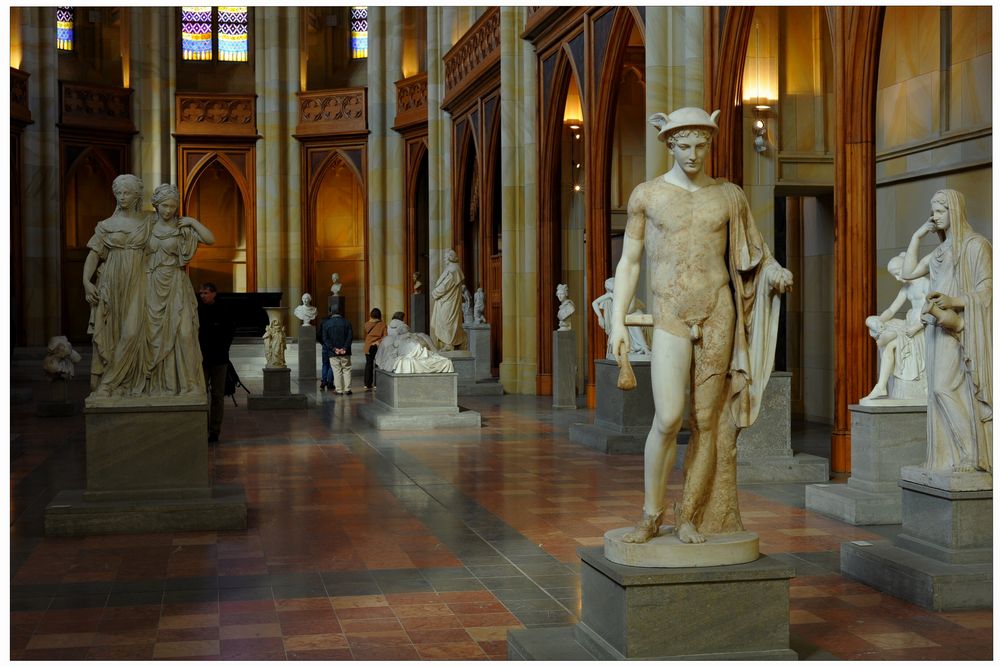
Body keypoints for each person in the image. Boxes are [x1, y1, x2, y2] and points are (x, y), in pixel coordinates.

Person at [608, 107, 792, 545]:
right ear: (668, 144)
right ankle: (651, 514)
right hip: (670, 313)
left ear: (709, 144)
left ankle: (689, 514)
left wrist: (774, 272)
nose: (693, 154)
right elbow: (629, 261)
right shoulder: (647, 196)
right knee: (669, 417)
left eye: (701, 145)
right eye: (684, 145)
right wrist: (617, 321)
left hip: (718, 311)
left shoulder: (729, 196)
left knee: (707, 420)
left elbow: (755, 253)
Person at [900, 189, 992, 473]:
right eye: (933, 211)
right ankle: (953, 455)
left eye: (940, 210)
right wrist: (917, 237)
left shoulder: (976, 246)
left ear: (954, 210)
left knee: (945, 388)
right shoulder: (938, 251)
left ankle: (971, 454)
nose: (934, 216)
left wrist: (953, 301)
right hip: (937, 329)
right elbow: (908, 272)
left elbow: (988, 291)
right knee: (939, 391)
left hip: (961, 330)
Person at [82, 174, 152, 398]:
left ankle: (116, 382)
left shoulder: (148, 221)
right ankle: (114, 384)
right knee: (112, 334)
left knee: (133, 332)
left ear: (137, 195)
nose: (122, 197)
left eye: (127, 193)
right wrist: (86, 282)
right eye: (119, 193)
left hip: (140, 280)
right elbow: (94, 255)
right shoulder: (106, 225)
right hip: (112, 282)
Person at [145, 184, 215, 397]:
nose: (168, 211)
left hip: (176, 283)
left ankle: (189, 383)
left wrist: (192, 221)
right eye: (164, 206)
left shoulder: (182, 227)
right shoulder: (146, 226)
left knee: (185, 334)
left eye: (173, 207)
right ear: (156, 205)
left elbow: (210, 239)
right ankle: (159, 385)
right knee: (153, 337)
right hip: (152, 285)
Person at [198, 282, 234, 443]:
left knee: (218, 396)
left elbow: (229, 332)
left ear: (214, 293)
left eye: (205, 293)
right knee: (200, 394)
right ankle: (201, 428)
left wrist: (223, 347)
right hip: (202, 359)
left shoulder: (224, 310)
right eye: (201, 293)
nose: (203, 296)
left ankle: (214, 431)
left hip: (219, 359)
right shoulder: (198, 310)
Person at [592, 277, 651, 359]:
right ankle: (641, 347)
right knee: (628, 320)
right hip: (621, 316)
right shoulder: (610, 295)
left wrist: (622, 313)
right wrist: (600, 317)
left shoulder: (628, 291)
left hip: (631, 313)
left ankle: (643, 347)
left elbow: (632, 308)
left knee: (632, 319)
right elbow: (594, 303)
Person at [430, 249, 467, 350]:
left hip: (449, 302)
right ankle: (450, 343)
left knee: (448, 320)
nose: (444, 259)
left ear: (450, 258)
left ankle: (450, 343)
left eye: (446, 257)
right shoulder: (451, 268)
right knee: (446, 321)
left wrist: (434, 293)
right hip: (446, 300)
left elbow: (446, 286)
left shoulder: (454, 270)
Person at [323, 304, 354, 395]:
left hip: (333, 352)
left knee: (336, 371)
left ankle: (339, 390)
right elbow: (350, 337)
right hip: (346, 352)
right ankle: (347, 389)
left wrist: (333, 348)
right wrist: (344, 348)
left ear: (331, 312)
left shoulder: (326, 324)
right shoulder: (347, 322)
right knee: (347, 369)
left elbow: (325, 339)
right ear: (340, 312)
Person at [363, 307, 388, 390]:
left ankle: (367, 384)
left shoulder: (367, 324)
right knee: (377, 365)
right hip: (378, 346)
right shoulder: (383, 324)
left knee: (368, 365)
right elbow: (385, 337)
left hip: (368, 346)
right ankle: (377, 384)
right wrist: (378, 341)